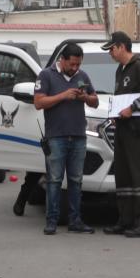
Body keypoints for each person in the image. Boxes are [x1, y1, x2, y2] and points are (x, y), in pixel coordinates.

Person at [32, 43, 99, 235]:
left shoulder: (83, 76)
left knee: (76, 180)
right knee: (54, 179)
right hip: (56, 136)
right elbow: (38, 102)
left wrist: (84, 97)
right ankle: (51, 220)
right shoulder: (46, 75)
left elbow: (95, 101)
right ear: (62, 60)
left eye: (78, 64)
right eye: (72, 64)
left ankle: (75, 220)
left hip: (78, 135)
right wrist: (63, 96)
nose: (75, 68)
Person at [100, 31, 140, 238]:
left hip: (136, 128)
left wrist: (132, 108)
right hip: (122, 129)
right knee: (123, 175)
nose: (110, 53)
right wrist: (117, 114)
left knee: (139, 176)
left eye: (111, 49)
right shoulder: (120, 70)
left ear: (121, 46)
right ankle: (125, 221)